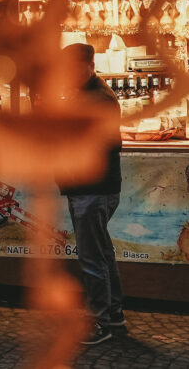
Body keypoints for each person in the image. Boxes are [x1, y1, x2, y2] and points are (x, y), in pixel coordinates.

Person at [56, 43, 124, 346]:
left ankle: (100, 322)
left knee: (92, 259)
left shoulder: (97, 99)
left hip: (92, 189)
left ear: (88, 66)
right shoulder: (86, 94)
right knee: (102, 254)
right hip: (90, 188)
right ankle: (114, 314)